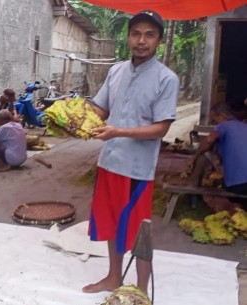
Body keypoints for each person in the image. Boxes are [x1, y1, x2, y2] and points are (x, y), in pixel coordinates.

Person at [82, 10, 179, 295]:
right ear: (128, 37)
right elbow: (101, 109)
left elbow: (161, 128)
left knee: (139, 231)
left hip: (138, 169)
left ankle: (140, 290)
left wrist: (119, 132)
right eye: (136, 33)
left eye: (149, 35)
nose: (141, 40)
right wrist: (74, 116)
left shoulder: (166, 79)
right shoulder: (116, 71)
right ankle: (113, 277)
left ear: (159, 40)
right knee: (111, 224)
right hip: (110, 162)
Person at [190, 103, 247, 198]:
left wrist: (194, 158)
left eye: (214, 119)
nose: (213, 123)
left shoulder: (224, 126)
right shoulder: (244, 127)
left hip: (239, 185)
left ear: (223, 115)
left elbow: (208, 141)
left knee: (221, 191)